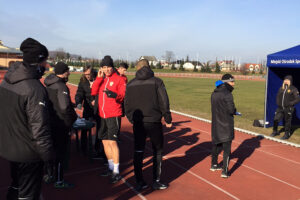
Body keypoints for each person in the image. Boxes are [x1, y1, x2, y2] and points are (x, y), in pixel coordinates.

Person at [0, 38, 53, 200]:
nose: (47, 66)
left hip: (10, 147)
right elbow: (39, 128)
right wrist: (48, 157)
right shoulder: (34, 88)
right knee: (28, 194)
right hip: (27, 153)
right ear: (38, 62)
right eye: (45, 62)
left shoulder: (7, 80)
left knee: (16, 186)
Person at [124, 59, 172, 191]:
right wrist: (167, 118)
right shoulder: (157, 81)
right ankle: (156, 180)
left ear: (137, 68)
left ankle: (139, 181)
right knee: (157, 151)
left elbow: (126, 104)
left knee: (138, 150)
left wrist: (131, 118)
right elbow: (164, 101)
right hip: (154, 121)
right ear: (149, 67)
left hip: (138, 123)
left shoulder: (131, 84)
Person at [91, 55, 126, 184]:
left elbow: (122, 96)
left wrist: (115, 95)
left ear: (113, 67)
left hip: (113, 115)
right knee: (105, 142)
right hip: (102, 115)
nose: (107, 69)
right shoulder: (102, 79)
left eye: (109, 67)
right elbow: (93, 91)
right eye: (104, 67)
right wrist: (99, 78)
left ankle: (116, 171)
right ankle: (110, 168)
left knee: (112, 142)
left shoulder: (119, 79)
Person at [44, 62, 77, 188]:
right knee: (61, 152)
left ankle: (49, 174)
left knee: (50, 150)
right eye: (67, 71)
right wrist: (71, 119)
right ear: (63, 72)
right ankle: (59, 180)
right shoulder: (61, 86)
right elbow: (64, 107)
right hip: (60, 124)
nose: (69, 73)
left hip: (50, 122)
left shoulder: (48, 84)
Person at [211, 73, 237, 178]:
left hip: (216, 123)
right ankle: (225, 171)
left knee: (216, 145)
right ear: (227, 82)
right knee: (227, 149)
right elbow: (231, 110)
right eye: (232, 81)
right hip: (226, 124)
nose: (234, 84)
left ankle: (214, 164)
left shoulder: (214, 93)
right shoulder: (227, 94)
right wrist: (235, 111)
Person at [75, 65, 96, 154]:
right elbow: (79, 93)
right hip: (88, 107)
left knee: (100, 128)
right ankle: (84, 147)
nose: (87, 76)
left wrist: (96, 101)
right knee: (85, 128)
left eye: (89, 74)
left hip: (99, 107)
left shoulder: (99, 78)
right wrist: (79, 102)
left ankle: (97, 147)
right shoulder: (83, 81)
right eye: (85, 74)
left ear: (92, 72)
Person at [271, 75, 300, 140]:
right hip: (280, 108)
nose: (286, 81)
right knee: (276, 119)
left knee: (287, 122)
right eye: (285, 80)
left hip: (288, 108)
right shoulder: (281, 88)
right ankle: (275, 131)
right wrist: (278, 103)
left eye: (288, 80)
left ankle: (287, 134)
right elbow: (278, 96)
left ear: (290, 81)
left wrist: (290, 104)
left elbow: (297, 99)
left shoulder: (293, 89)